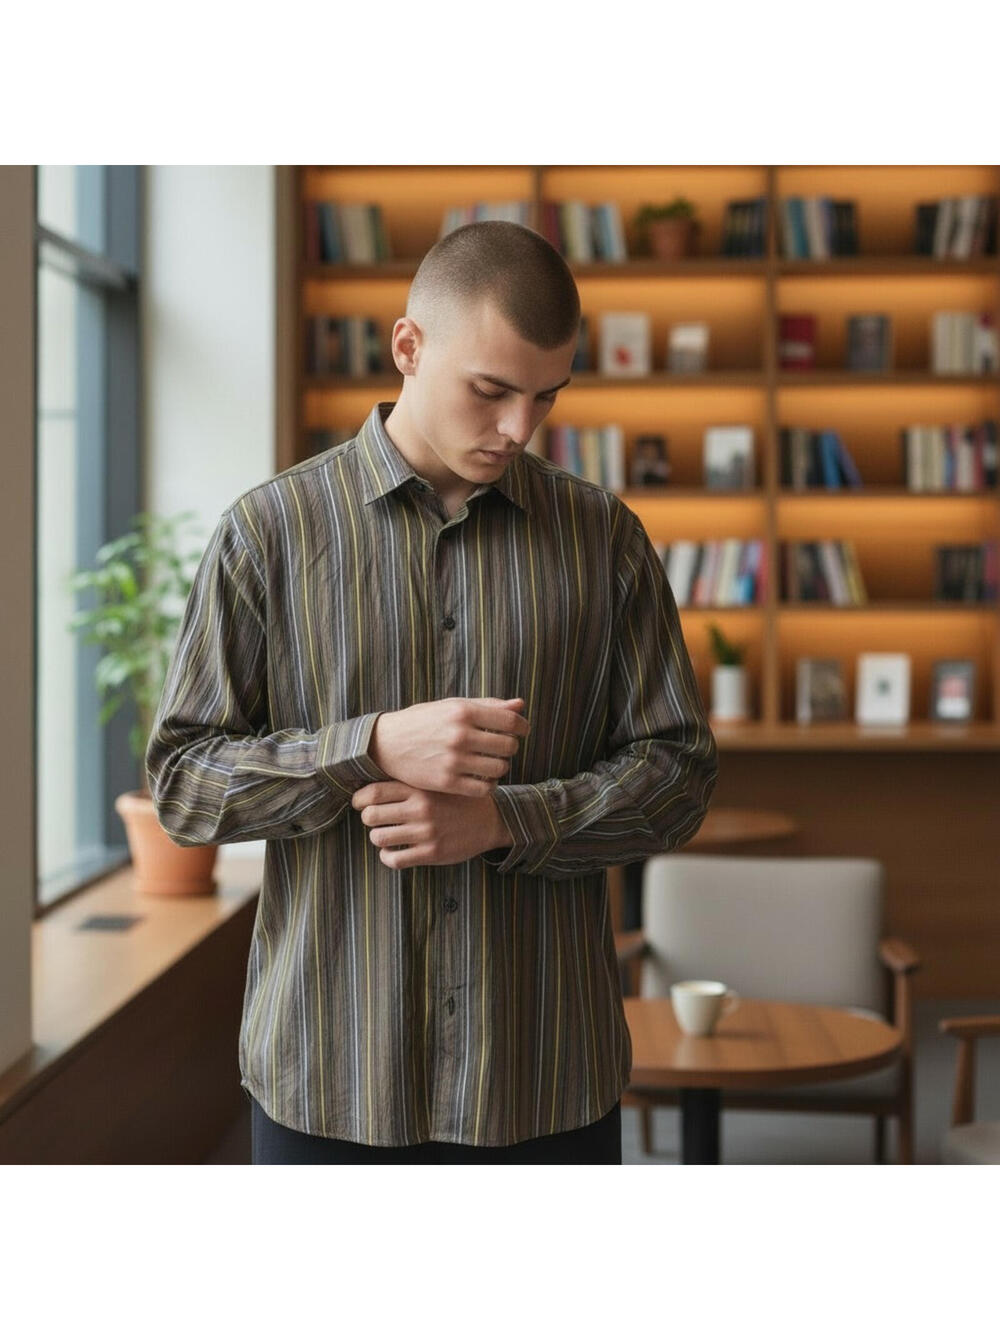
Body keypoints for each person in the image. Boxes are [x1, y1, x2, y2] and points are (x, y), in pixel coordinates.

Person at [145, 220, 719, 1165]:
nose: (519, 428)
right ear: (408, 346)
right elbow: (183, 786)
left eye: (546, 395)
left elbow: (680, 778)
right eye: (490, 390)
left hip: (542, 1077)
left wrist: (503, 821)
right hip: (331, 1080)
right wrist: (365, 747)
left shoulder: (603, 539)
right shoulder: (269, 533)